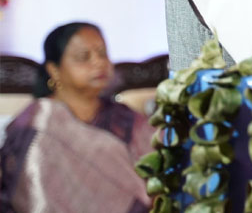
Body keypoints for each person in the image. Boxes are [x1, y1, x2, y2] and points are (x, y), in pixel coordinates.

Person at [0, 23, 154, 212]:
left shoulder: (125, 117)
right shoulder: (38, 125)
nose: (99, 62)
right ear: (54, 70)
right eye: (84, 57)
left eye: (103, 54)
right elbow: (31, 197)